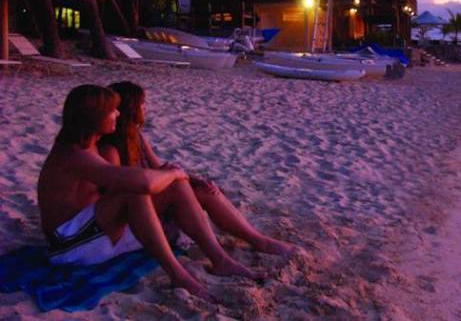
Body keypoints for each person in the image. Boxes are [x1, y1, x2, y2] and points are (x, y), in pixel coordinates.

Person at [37, 85, 258, 302]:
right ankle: (178, 274)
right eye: (111, 110)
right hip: (68, 246)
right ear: (93, 116)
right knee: (136, 190)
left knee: (176, 185)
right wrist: (173, 172)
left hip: (90, 232)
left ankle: (220, 260)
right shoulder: (73, 154)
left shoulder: (88, 145)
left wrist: (176, 177)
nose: (117, 113)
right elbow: (141, 183)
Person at [99, 81, 295, 257]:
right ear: (131, 109)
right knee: (178, 184)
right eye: (142, 105)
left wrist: (193, 180)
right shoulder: (110, 149)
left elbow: (158, 167)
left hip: (150, 197)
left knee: (204, 190)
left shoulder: (136, 137)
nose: (145, 108)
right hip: (132, 213)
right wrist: (171, 178)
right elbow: (118, 195)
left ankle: (257, 240)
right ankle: (225, 253)